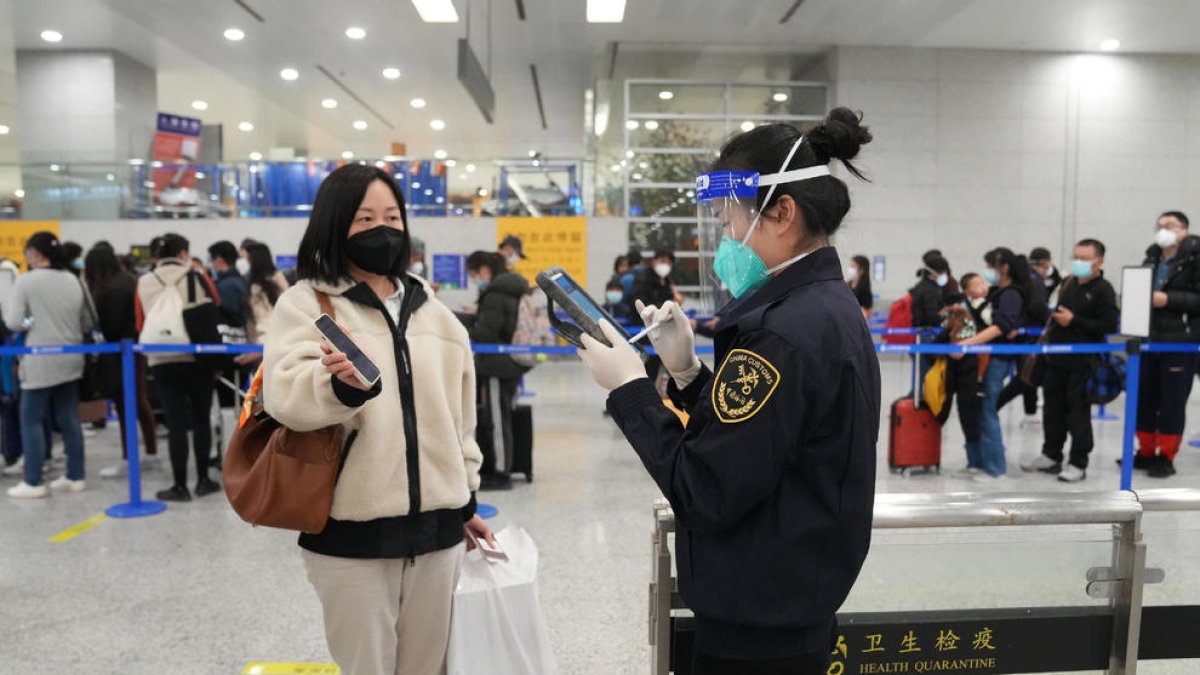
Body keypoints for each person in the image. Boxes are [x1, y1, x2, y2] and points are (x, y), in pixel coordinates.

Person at [577, 109, 878, 674]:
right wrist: (688, 374)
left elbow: (705, 487)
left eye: (729, 220)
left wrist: (631, 388)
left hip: (760, 630)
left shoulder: (783, 332)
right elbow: (763, 442)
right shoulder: (820, 308)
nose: (726, 239)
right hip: (787, 601)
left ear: (782, 212)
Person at [262, 163, 491, 674]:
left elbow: (461, 423)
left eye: (391, 216)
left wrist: (465, 496)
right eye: (364, 218)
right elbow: (286, 400)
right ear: (334, 223)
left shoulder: (437, 315)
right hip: (350, 536)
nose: (381, 229)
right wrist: (339, 387)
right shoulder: (306, 306)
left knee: (426, 668)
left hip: (438, 535)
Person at [1020, 239, 1119, 482]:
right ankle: (1051, 455)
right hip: (1056, 358)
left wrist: (1074, 321)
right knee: (1052, 411)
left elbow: (1108, 325)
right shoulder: (1069, 284)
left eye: (1085, 258)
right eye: (1076, 257)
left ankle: (1078, 462)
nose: (1079, 262)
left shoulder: (1103, 289)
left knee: (1077, 414)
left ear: (1100, 261)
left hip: (1083, 362)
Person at [4, 232, 93, 499]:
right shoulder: (73, 280)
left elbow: (13, 321)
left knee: (30, 419)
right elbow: (87, 321)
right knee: (69, 418)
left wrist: (34, 322)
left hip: (40, 358)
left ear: (35, 254)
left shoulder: (26, 282)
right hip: (72, 356)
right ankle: (75, 476)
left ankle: (33, 480)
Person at [136, 233, 223, 502]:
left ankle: (179, 485)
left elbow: (140, 323)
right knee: (200, 420)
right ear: (184, 252)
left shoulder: (144, 281)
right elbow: (214, 310)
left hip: (162, 358)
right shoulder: (198, 276)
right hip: (197, 356)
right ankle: (204, 480)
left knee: (175, 424)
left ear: (157, 256)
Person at [953, 247, 1033, 481]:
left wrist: (969, 343)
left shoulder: (1011, 294)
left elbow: (1001, 327)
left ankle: (996, 467)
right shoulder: (999, 292)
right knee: (979, 409)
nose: (988, 273)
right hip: (984, 358)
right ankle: (978, 462)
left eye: (990, 267)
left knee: (988, 409)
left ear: (1003, 268)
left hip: (996, 359)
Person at [1133, 211, 1200, 478]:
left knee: (1172, 401)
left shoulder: (1195, 259)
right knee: (1145, 396)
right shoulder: (1152, 257)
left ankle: (1166, 455)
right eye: (1159, 225)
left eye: (1169, 226)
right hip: (1149, 338)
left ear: (1183, 230)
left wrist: (1169, 299)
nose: (1163, 230)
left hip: (1180, 341)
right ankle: (1146, 450)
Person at [85, 244, 160, 479]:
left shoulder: (113, 288)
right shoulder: (128, 280)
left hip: (122, 353)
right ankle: (149, 452)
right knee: (139, 401)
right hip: (134, 351)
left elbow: (112, 326)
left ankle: (131, 459)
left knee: (126, 403)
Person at [465, 250, 529, 491]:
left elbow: (487, 332)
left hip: (496, 365)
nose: (474, 279)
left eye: (474, 274)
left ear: (483, 270)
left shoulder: (494, 293)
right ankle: (502, 467)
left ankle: (502, 473)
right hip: (510, 362)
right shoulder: (513, 287)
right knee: (502, 418)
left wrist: (469, 327)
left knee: (497, 421)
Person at [939, 272, 986, 475]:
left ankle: (978, 462)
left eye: (981, 282)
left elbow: (958, 352)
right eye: (975, 284)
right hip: (959, 372)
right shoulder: (962, 312)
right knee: (965, 415)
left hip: (971, 372)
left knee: (972, 417)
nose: (981, 286)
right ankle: (973, 462)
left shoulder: (978, 312)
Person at [238, 241, 290, 367]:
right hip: (275, 346)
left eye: (247, 259)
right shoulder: (277, 280)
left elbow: (266, 321)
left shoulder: (262, 287)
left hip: (269, 349)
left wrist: (260, 349)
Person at [207, 240, 249, 330]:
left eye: (211, 260)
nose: (211, 264)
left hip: (231, 336)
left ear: (219, 260)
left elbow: (227, 313)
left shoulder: (227, 286)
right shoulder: (239, 281)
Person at [846, 254, 873, 318]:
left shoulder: (865, 292)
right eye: (850, 266)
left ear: (861, 270)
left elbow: (868, 313)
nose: (850, 269)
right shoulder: (846, 286)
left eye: (853, 266)